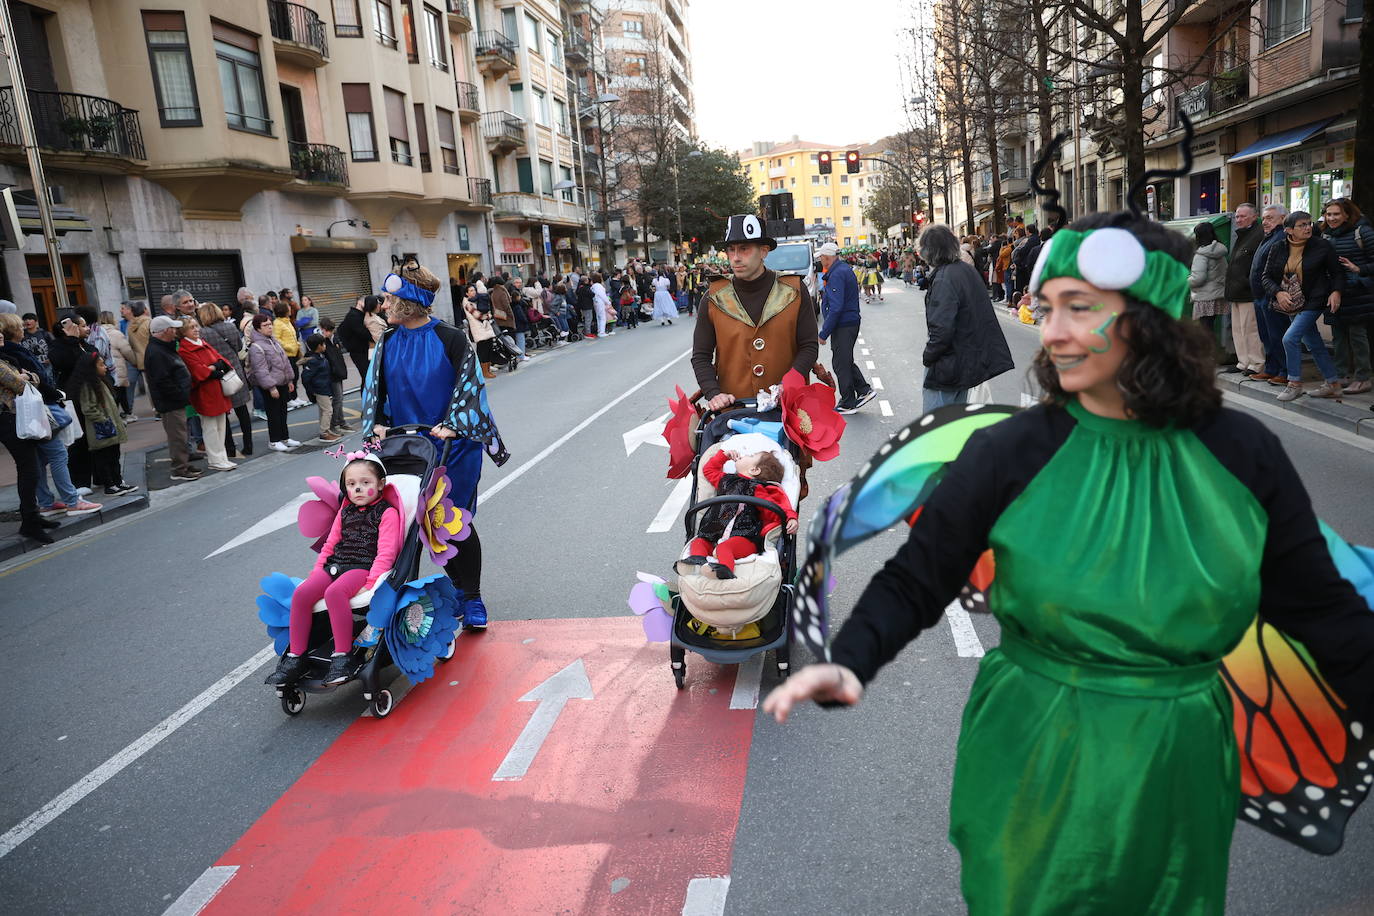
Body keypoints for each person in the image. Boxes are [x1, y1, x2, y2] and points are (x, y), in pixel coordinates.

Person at [763, 206, 1374, 915]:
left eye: (1078, 309)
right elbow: (917, 577)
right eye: (1046, 307)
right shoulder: (1007, 452)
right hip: (1034, 745)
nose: (1050, 332)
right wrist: (851, 656)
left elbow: (1322, 613)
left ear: (1152, 317)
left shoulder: (1243, 454)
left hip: (1177, 763)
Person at [361, 258, 510, 630]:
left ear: (407, 302)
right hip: (407, 449)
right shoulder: (388, 342)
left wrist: (454, 425)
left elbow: (470, 389)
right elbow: (373, 391)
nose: (384, 305)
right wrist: (377, 424)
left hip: (452, 447)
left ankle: (472, 596)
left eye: (389, 300)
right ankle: (457, 587)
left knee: (454, 520)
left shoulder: (451, 338)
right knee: (424, 527)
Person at [266, 453, 402, 687]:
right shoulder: (345, 510)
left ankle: (342, 656)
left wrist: (370, 583)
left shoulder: (387, 513)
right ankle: (295, 657)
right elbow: (330, 544)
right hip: (334, 565)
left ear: (381, 484)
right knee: (301, 594)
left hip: (362, 567)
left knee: (334, 593)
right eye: (351, 484)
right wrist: (317, 570)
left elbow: (386, 552)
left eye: (365, 483)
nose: (358, 488)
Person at [691, 214, 820, 413]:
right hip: (733, 413)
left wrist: (791, 383)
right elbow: (700, 356)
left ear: (764, 251)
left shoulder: (794, 290)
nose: (735, 257)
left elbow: (809, 346)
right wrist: (714, 393)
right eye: (731, 249)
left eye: (744, 248)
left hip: (787, 409)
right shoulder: (713, 297)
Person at [916, 224, 1014, 411]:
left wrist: (928, 356)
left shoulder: (944, 278)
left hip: (948, 365)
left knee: (934, 427)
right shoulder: (965, 270)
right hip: (966, 361)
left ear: (930, 251)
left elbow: (941, 329)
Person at [1262, 210, 1346, 401]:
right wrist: (1278, 292)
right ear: (1289, 230)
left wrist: (1336, 292)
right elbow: (1266, 277)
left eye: (1309, 223)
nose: (1308, 227)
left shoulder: (1322, 246)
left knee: (1289, 338)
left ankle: (1294, 384)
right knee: (1313, 342)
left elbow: (1337, 273)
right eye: (1302, 225)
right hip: (1291, 302)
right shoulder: (1277, 248)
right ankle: (1333, 383)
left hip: (1314, 300)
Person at [677, 447, 797, 580]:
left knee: (724, 548)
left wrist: (790, 518)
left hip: (744, 536)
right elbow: (709, 471)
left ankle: (724, 570)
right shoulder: (727, 480)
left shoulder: (757, 489)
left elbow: (775, 509)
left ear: (754, 470)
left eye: (751, 455)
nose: (744, 455)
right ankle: (696, 563)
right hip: (714, 533)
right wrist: (723, 456)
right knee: (699, 541)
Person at [1320, 197, 1374, 393]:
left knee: (1357, 336)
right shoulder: (1325, 235)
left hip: (1358, 293)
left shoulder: (1363, 232)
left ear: (1347, 215)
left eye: (1336, 214)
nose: (1332, 218)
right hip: (1334, 292)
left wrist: (1359, 269)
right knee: (1338, 336)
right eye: (1328, 214)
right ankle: (1340, 375)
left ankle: (1363, 377)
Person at [816, 242, 873, 414]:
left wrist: (824, 332)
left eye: (821, 257)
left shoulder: (837, 274)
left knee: (841, 363)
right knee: (844, 360)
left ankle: (849, 401)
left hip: (843, 324)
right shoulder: (841, 270)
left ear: (827, 257)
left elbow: (836, 306)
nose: (820, 259)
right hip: (848, 322)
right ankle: (863, 390)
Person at [68, 349, 135, 495]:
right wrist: (104, 420)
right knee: (104, 458)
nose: (105, 367)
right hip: (101, 429)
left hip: (109, 427)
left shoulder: (101, 382)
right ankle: (109, 484)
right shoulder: (89, 385)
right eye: (101, 365)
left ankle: (117, 481)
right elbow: (88, 408)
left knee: (114, 455)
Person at [144, 316, 201, 481]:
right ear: (165, 331)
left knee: (181, 434)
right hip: (171, 402)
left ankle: (183, 464)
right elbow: (162, 380)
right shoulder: (156, 351)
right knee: (177, 436)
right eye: (173, 328)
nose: (176, 331)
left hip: (174, 399)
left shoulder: (161, 348)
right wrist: (180, 394)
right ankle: (179, 468)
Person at [176, 317, 237, 472]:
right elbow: (198, 371)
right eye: (191, 327)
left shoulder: (202, 342)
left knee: (221, 426)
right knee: (210, 427)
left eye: (196, 326)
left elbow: (221, 360)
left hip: (216, 388)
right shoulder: (184, 349)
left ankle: (222, 457)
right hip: (204, 392)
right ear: (183, 331)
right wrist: (214, 368)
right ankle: (215, 459)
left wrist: (213, 367)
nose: (196, 329)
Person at [197, 303, 253, 458]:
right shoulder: (230, 327)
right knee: (242, 411)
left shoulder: (202, 333)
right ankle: (248, 445)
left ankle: (229, 448)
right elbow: (238, 346)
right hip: (235, 372)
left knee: (224, 413)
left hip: (218, 375)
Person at [1248, 204, 1291, 384]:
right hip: (1260, 295)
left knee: (1277, 334)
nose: (1265, 222)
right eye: (1264, 218)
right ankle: (1271, 368)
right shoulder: (1269, 236)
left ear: (1282, 219)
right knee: (1267, 335)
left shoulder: (1281, 237)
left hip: (1272, 294)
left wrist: (1275, 292)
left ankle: (1284, 371)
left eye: (1270, 218)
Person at [245, 313, 299, 452]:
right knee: (273, 413)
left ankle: (285, 437)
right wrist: (271, 387)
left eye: (270, 324)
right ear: (257, 328)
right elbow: (260, 370)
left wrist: (289, 380)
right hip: (270, 385)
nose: (269, 327)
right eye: (265, 325)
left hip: (282, 382)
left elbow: (284, 361)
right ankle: (274, 440)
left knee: (282, 411)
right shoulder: (256, 347)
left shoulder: (273, 341)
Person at [1225, 203, 1265, 375]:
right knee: (1238, 329)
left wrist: (1247, 283)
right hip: (1236, 290)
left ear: (1254, 216)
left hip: (1247, 291)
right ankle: (1243, 362)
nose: (1238, 220)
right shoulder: (1243, 234)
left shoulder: (1258, 234)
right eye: (1237, 216)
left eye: (1243, 216)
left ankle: (1256, 363)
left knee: (1250, 329)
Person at [1189, 221, 1229, 352]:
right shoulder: (1220, 250)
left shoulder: (1201, 255)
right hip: (1218, 293)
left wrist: (1186, 281)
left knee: (1204, 328)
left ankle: (1206, 356)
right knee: (1209, 326)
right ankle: (1212, 354)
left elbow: (1198, 278)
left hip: (1204, 295)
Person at [301, 333, 340, 442]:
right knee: (328, 410)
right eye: (323, 344)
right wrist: (311, 390)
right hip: (319, 389)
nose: (325, 346)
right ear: (319, 346)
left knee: (323, 411)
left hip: (324, 387)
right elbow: (305, 377)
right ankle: (324, 433)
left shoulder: (319, 357)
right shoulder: (313, 360)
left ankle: (326, 430)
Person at [317, 317, 353, 434]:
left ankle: (341, 422)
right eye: (325, 330)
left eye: (330, 330)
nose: (328, 333)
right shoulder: (321, 342)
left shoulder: (334, 338)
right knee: (337, 399)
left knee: (340, 398)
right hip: (331, 374)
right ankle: (334, 424)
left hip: (338, 371)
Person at [99, 310, 136, 419]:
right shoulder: (115, 333)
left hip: (103, 368)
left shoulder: (97, 333)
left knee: (113, 393)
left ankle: (121, 414)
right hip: (117, 367)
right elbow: (127, 351)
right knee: (120, 392)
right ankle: (126, 414)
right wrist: (134, 362)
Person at [271, 302, 305, 408]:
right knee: (288, 377)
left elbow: (292, 336)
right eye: (288, 308)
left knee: (295, 375)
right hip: (286, 354)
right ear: (283, 310)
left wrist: (297, 344)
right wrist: (289, 346)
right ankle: (288, 398)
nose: (290, 309)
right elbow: (276, 339)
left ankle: (295, 396)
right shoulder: (277, 323)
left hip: (294, 353)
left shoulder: (288, 321)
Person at [124, 301, 151, 420]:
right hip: (151, 358)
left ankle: (128, 410)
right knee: (152, 385)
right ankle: (158, 409)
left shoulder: (130, 326)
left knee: (131, 385)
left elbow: (130, 344)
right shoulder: (149, 322)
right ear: (145, 310)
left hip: (138, 359)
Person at [338, 295, 374, 379]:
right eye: (366, 302)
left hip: (365, 350)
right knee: (367, 376)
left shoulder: (360, 314)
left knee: (369, 375)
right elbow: (363, 333)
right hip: (359, 352)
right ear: (359, 302)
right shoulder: (353, 316)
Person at [591, 272, 613, 336]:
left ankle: (600, 330)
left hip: (596, 302)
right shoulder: (598, 286)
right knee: (602, 317)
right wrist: (608, 302)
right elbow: (602, 295)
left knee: (598, 317)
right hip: (600, 302)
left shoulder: (593, 286)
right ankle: (602, 332)